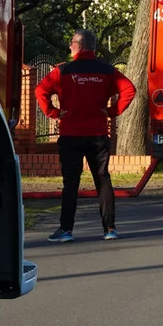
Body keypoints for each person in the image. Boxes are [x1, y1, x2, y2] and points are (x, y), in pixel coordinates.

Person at [36, 29, 136, 242]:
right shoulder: (107, 71)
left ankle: (66, 230)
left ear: (79, 46)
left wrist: (53, 113)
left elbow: (40, 91)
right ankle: (109, 229)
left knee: (70, 183)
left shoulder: (62, 71)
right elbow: (129, 89)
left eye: (71, 43)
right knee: (102, 179)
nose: (69, 47)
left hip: (70, 134)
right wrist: (111, 111)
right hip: (98, 135)